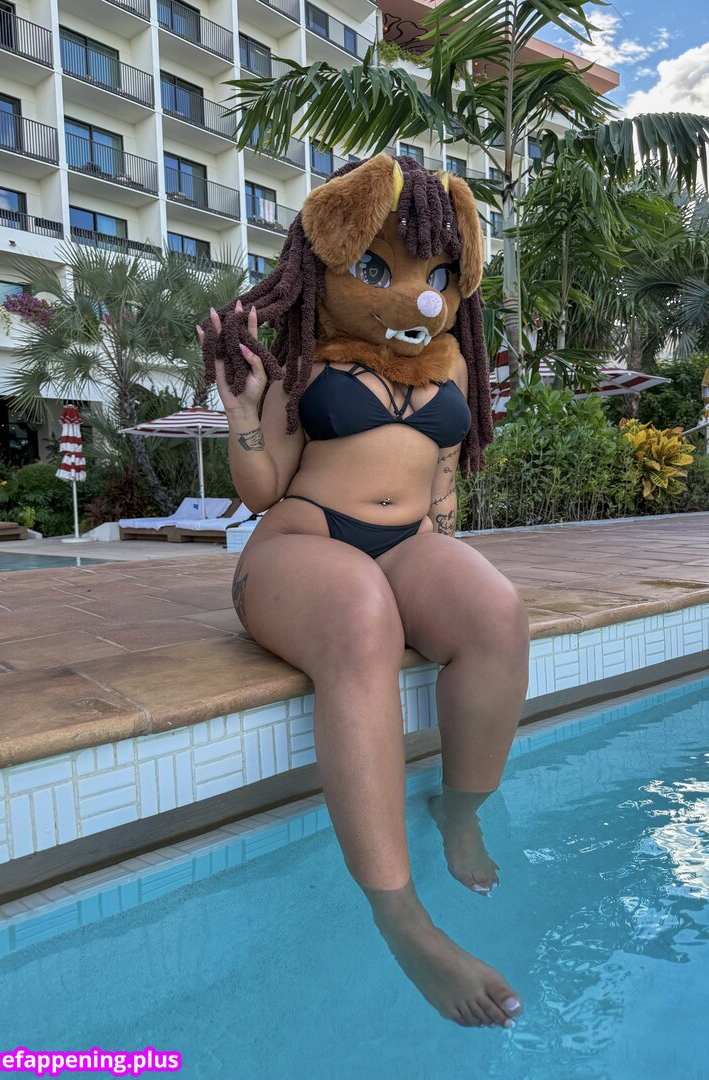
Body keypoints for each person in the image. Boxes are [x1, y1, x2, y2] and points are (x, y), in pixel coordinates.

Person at [198, 156, 530, 1029]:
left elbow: (444, 480)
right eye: (379, 268)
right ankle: (401, 917)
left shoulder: (452, 368)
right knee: (359, 614)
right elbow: (263, 490)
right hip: (301, 542)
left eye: (440, 276)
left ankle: (461, 809)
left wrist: (444, 563)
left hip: (407, 545)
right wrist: (244, 413)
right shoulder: (305, 361)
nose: (421, 295)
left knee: (496, 611)